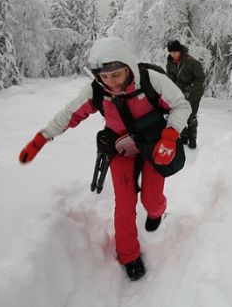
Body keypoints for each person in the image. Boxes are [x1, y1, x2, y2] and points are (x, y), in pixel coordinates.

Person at [17, 37, 191, 281]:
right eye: (104, 76)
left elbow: (181, 105)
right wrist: (41, 138)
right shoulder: (97, 90)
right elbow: (69, 113)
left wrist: (170, 135)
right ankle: (128, 255)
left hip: (154, 145)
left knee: (151, 200)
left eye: (116, 74)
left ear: (128, 66)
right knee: (124, 204)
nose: (111, 82)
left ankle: (157, 212)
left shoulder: (151, 81)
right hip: (121, 151)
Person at [165, 39, 205, 149]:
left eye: (175, 52)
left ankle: (192, 139)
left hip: (194, 93)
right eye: (171, 52)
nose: (173, 54)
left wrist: (188, 88)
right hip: (180, 94)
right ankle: (184, 135)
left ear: (180, 51)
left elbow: (201, 78)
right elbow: (170, 78)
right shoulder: (170, 63)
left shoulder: (191, 62)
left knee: (191, 116)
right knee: (178, 115)